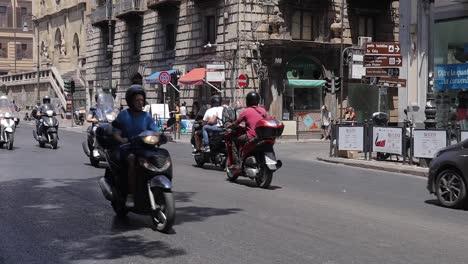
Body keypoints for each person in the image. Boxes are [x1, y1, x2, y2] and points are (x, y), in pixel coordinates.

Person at [112, 85, 158, 208]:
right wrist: (121, 140)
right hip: (128, 148)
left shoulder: (147, 116)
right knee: (132, 159)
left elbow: (155, 131)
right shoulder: (123, 114)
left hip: (144, 148)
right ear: (131, 101)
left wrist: (161, 136)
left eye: (142, 100)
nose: (140, 102)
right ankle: (130, 194)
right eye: (137, 100)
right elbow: (116, 132)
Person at [229, 91, 267, 168]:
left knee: (234, 141)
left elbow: (236, 123)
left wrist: (230, 126)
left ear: (248, 101)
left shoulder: (246, 111)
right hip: (262, 136)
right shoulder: (263, 110)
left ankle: (236, 164)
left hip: (251, 136)